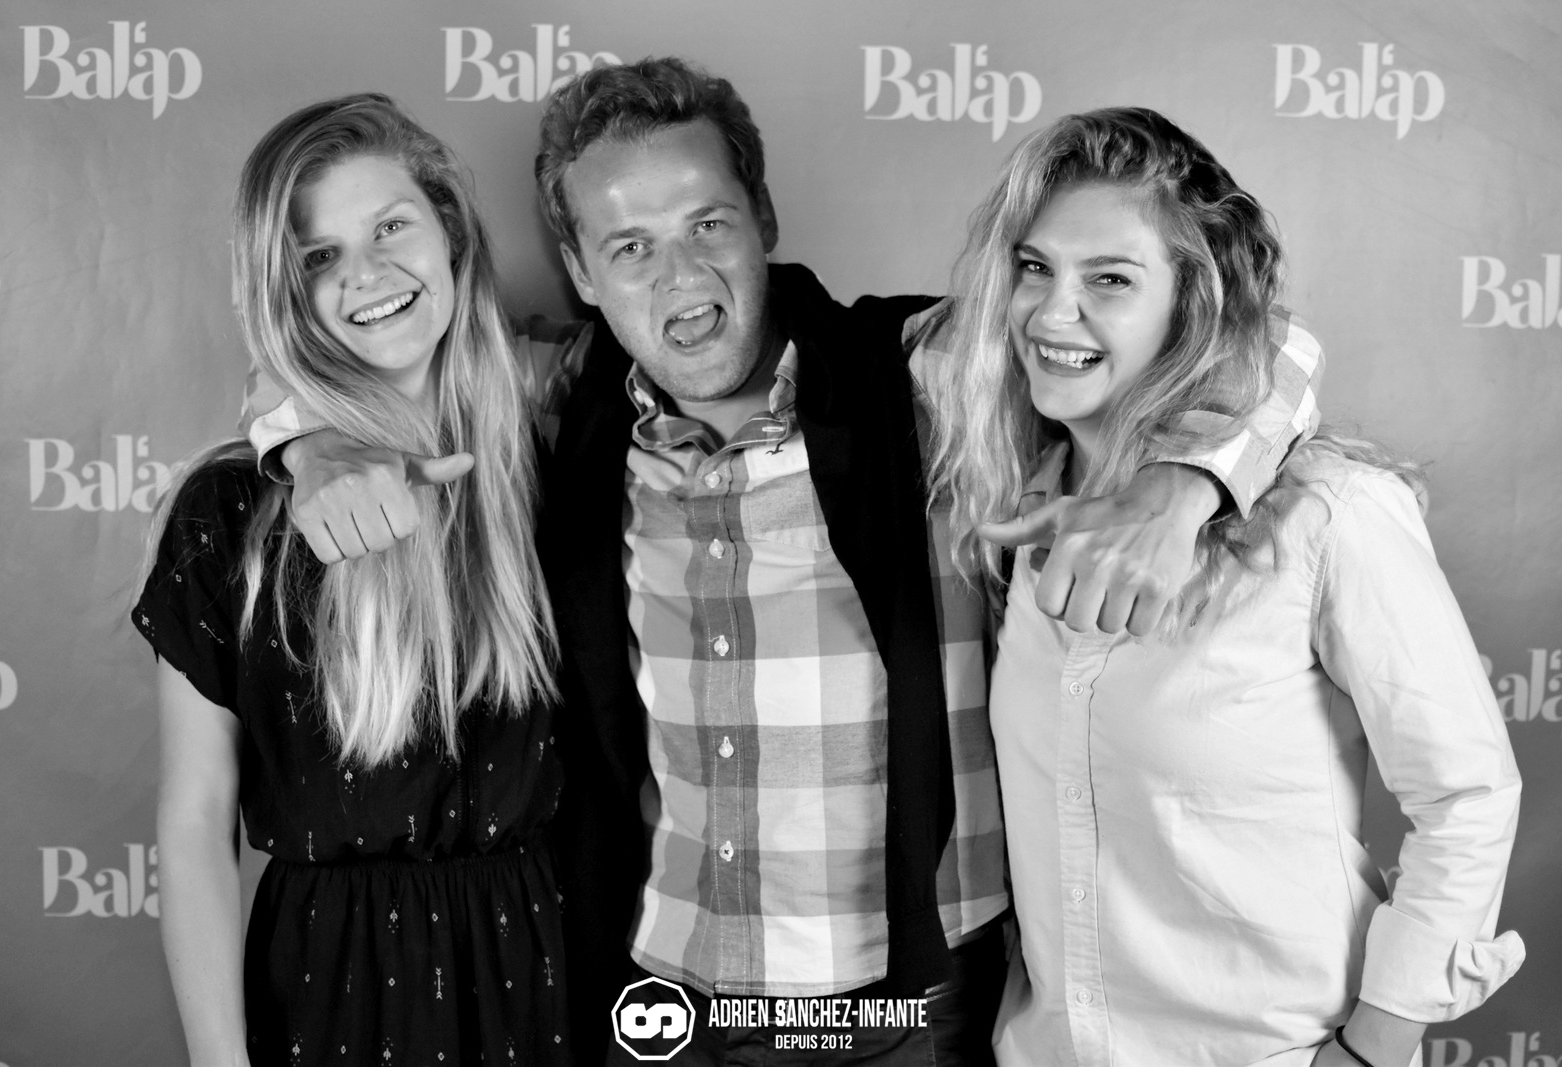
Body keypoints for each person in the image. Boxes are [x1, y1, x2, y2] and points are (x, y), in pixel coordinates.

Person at [242, 61, 1323, 1064]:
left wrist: (1185, 483)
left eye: (707, 222)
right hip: (664, 995)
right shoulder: (557, 398)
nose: (679, 274)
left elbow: (1266, 344)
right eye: (628, 247)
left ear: (761, 216)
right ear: (578, 270)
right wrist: (307, 443)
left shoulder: (927, 374)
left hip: (905, 1000)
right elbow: (356, 348)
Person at [921, 107, 1524, 1067]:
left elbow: (1468, 795)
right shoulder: (1016, 511)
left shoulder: (1328, 513)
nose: (1051, 313)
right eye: (1034, 268)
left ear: (1192, 305)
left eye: (1110, 279)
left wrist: (1374, 1048)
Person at [133, 94, 569, 1066]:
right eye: (318, 256)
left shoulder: (548, 458)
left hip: (543, 973)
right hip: (328, 986)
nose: (365, 273)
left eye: (390, 227)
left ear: (450, 229)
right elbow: (195, 817)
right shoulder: (228, 512)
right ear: (285, 293)